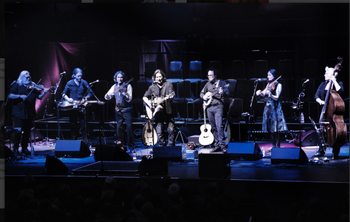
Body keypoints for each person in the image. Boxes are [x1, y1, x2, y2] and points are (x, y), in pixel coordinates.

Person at [8, 70, 50, 156]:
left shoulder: (33, 86)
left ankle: (24, 148)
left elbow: (40, 97)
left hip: (29, 113)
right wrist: (20, 96)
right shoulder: (17, 85)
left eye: (29, 77)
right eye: (27, 77)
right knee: (18, 131)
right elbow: (10, 95)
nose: (29, 78)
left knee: (27, 132)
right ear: (22, 78)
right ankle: (15, 148)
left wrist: (45, 92)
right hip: (18, 112)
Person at [314, 66, 344, 159]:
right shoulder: (323, 84)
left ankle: (335, 151)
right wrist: (321, 102)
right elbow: (316, 96)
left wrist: (334, 80)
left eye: (326, 73)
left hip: (333, 112)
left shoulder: (338, 83)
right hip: (324, 111)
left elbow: (341, 91)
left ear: (332, 75)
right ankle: (321, 149)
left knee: (335, 131)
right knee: (321, 131)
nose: (324, 75)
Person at [256, 69, 288, 148]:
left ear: (274, 76)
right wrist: (259, 92)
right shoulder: (268, 85)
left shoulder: (278, 85)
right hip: (268, 108)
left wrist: (270, 95)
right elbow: (263, 94)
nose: (268, 76)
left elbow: (276, 97)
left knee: (275, 129)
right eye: (267, 75)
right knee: (269, 129)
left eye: (269, 75)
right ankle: (273, 146)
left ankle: (278, 146)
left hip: (275, 108)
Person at [143, 69, 175, 147]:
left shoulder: (169, 84)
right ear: (155, 78)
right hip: (157, 113)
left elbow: (171, 94)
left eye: (160, 76)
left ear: (163, 77)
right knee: (159, 131)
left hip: (168, 111)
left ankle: (171, 148)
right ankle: (162, 148)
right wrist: (150, 104)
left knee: (171, 130)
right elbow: (144, 97)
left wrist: (169, 97)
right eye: (157, 77)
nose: (159, 78)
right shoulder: (152, 87)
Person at [104, 71, 135, 153]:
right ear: (116, 78)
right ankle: (122, 146)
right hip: (118, 110)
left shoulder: (128, 85)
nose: (120, 79)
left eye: (121, 77)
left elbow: (129, 99)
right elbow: (107, 96)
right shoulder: (114, 86)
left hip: (127, 109)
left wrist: (123, 93)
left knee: (129, 127)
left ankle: (131, 146)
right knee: (119, 128)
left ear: (124, 78)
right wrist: (107, 96)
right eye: (118, 77)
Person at [200, 67, 229, 152]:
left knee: (219, 126)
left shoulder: (222, 83)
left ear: (215, 75)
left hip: (218, 107)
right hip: (209, 107)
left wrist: (223, 92)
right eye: (208, 75)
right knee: (213, 127)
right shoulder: (207, 84)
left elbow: (227, 94)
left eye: (210, 75)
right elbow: (201, 93)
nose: (209, 77)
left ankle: (223, 146)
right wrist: (204, 96)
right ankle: (217, 145)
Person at [61, 68, 92, 144]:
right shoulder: (69, 83)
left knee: (83, 124)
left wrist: (86, 98)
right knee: (73, 124)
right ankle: (73, 141)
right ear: (74, 75)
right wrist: (68, 99)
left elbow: (90, 93)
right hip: (73, 107)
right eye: (78, 76)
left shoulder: (84, 82)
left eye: (81, 76)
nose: (80, 77)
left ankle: (85, 142)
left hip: (82, 106)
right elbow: (63, 94)